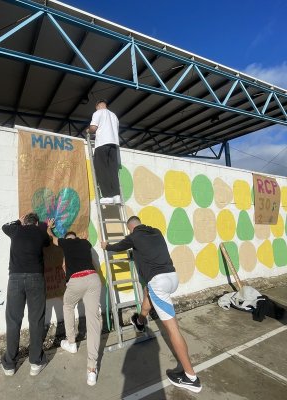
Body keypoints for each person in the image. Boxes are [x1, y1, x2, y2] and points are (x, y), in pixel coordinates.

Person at [101, 216, 202, 393]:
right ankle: (140, 321)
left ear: (130, 228)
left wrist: (106, 246)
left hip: (159, 282)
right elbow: (147, 250)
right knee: (148, 292)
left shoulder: (134, 236)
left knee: (173, 330)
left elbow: (118, 247)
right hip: (172, 277)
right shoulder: (156, 232)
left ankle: (190, 377)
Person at [47, 218, 102, 386]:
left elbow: (52, 238)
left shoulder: (65, 243)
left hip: (77, 280)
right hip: (93, 279)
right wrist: (83, 239)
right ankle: (91, 369)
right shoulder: (85, 243)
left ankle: (71, 342)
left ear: (67, 239)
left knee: (68, 306)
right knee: (93, 321)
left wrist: (49, 227)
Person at [1, 213, 50, 377]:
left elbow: (4, 227)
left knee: (13, 321)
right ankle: (36, 362)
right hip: (36, 278)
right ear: (36, 223)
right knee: (36, 320)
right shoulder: (40, 232)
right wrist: (45, 227)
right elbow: (48, 243)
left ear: (24, 222)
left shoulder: (15, 230)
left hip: (15, 278)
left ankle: (10, 365)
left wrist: (18, 222)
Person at [86, 99, 121, 205]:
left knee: (101, 169)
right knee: (112, 170)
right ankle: (116, 196)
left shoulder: (98, 113)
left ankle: (107, 196)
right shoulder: (114, 116)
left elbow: (93, 128)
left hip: (102, 144)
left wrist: (88, 130)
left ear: (98, 106)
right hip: (114, 145)